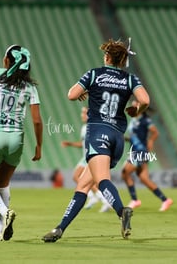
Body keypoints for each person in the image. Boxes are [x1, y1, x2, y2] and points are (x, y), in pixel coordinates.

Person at [42, 38, 150, 242]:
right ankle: (59, 229)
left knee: (101, 180)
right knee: (82, 186)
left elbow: (71, 95)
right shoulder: (130, 79)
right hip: (117, 137)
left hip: (97, 131)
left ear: (108, 57)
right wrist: (136, 111)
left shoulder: (95, 73)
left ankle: (121, 211)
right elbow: (145, 100)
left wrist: (85, 91)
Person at [0, 45, 43, 242]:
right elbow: (37, 120)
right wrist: (39, 146)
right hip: (16, 138)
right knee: (3, 184)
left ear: (6, 61)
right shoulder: (29, 86)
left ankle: (5, 212)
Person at [121, 103, 173, 211]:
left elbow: (155, 132)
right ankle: (165, 200)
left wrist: (150, 141)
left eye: (136, 103)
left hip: (140, 152)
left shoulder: (145, 120)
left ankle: (135, 200)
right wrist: (124, 138)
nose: (133, 104)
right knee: (144, 179)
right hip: (135, 151)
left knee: (125, 171)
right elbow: (134, 137)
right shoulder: (134, 120)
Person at [61, 106, 111, 212]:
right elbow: (82, 144)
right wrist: (69, 143)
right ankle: (95, 197)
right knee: (77, 177)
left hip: (91, 156)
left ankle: (103, 199)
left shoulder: (93, 127)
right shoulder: (84, 128)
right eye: (82, 113)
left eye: (84, 113)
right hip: (85, 156)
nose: (82, 115)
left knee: (84, 179)